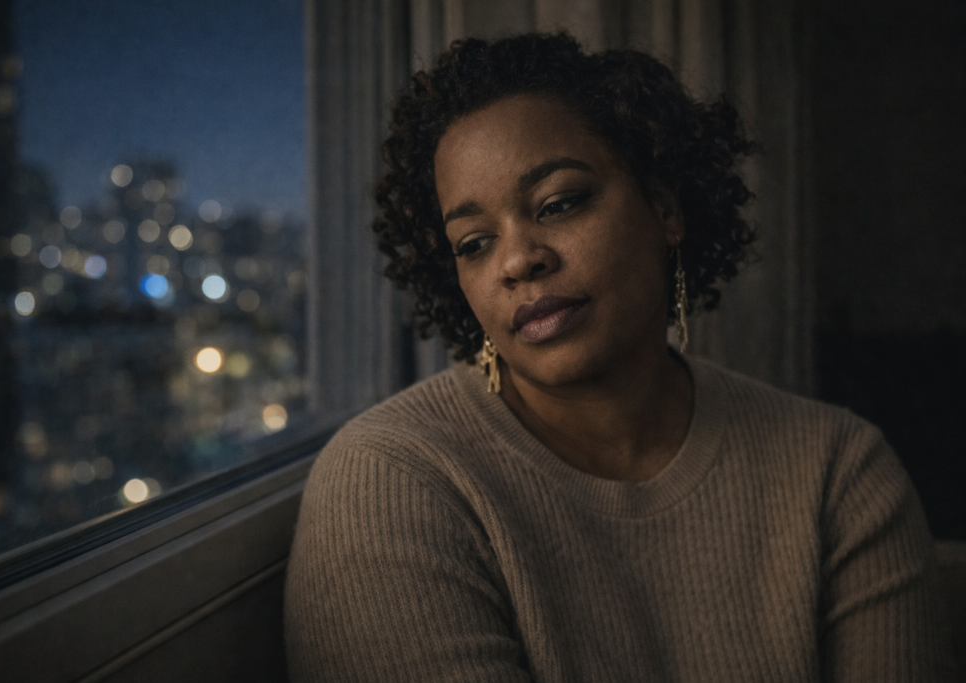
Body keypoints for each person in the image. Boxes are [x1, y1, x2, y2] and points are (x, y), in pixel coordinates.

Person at [284, 33, 952, 682]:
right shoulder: (391, 481)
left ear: (664, 209)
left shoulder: (839, 472)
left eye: (560, 203)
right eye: (474, 243)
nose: (518, 260)